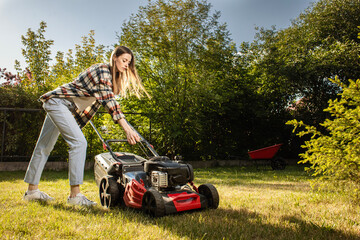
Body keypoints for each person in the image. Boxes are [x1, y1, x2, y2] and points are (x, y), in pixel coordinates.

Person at [23, 46, 149, 206]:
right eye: (124, 60)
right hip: (57, 102)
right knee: (78, 143)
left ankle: (32, 192)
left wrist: (128, 126)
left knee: (43, 147)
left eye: (129, 63)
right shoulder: (103, 70)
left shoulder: (110, 80)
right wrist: (127, 129)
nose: (126, 65)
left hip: (61, 106)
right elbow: (110, 103)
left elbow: (106, 100)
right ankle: (74, 196)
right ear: (115, 57)